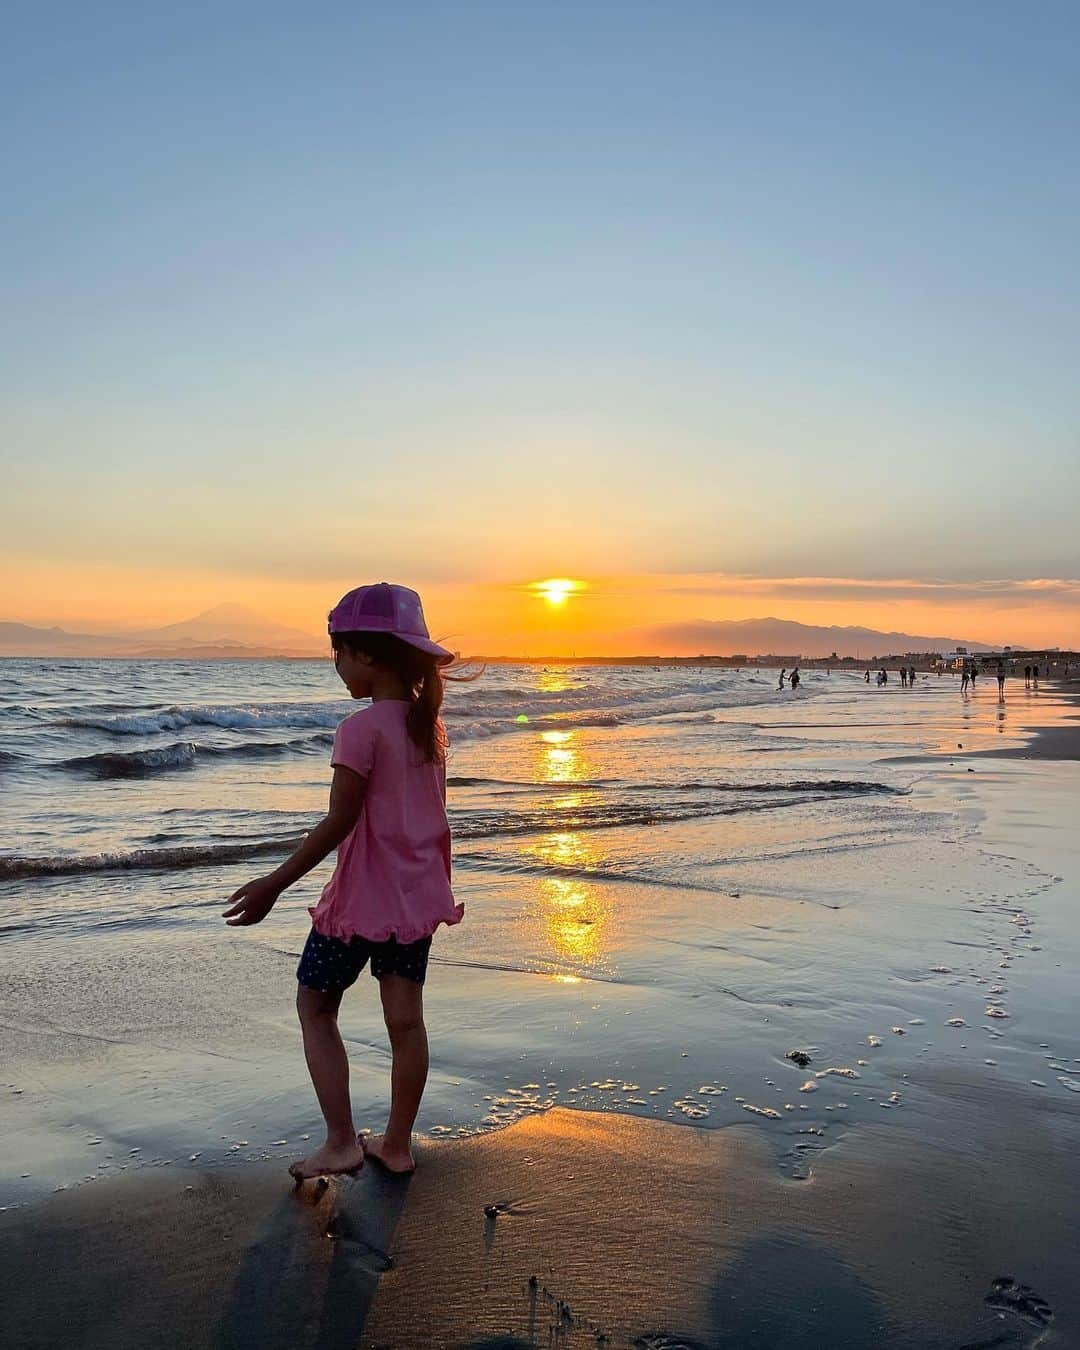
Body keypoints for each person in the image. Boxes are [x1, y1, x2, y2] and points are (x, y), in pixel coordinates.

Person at [222, 582, 463, 1181]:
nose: (336, 665)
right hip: (414, 901)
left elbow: (341, 819)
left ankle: (339, 1142)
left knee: (315, 1006)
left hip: (358, 905)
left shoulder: (361, 728)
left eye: (338, 652)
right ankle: (397, 1145)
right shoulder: (426, 725)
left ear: (369, 655)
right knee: (405, 1021)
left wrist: (273, 884)